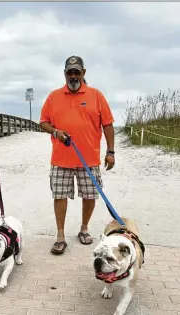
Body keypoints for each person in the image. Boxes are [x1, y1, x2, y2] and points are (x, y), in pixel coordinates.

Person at [39, 55, 115, 255]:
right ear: (64, 74)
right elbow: (43, 122)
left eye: (77, 72)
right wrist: (55, 131)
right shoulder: (53, 96)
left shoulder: (96, 96)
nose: (73, 76)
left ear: (84, 73)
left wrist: (110, 151)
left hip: (88, 159)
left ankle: (84, 228)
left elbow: (107, 124)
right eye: (69, 72)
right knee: (59, 196)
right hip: (61, 158)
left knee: (90, 196)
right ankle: (60, 235)